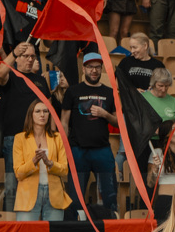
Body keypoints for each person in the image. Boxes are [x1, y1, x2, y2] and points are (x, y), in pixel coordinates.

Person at [64, 50, 119, 216]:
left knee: (110, 194)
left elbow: (118, 122)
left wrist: (105, 114)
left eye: (97, 67)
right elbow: (63, 122)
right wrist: (64, 148)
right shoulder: (72, 91)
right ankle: (78, 226)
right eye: (90, 67)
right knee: (76, 197)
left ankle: (111, 224)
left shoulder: (110, 92)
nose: (94, 70)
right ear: (83, 69)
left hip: (102, 149)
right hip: (77, 149)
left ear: (101, 69)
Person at [12, 100, 71, 221]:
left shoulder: (58, 138)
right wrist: (34, 161)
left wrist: (49, 163)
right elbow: (18, 173)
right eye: (38, 111)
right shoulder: (20, 138)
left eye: (45, 111)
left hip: (54, 194)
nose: (42, 114)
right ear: (31, 115)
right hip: (28, 194)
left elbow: (65, 170)